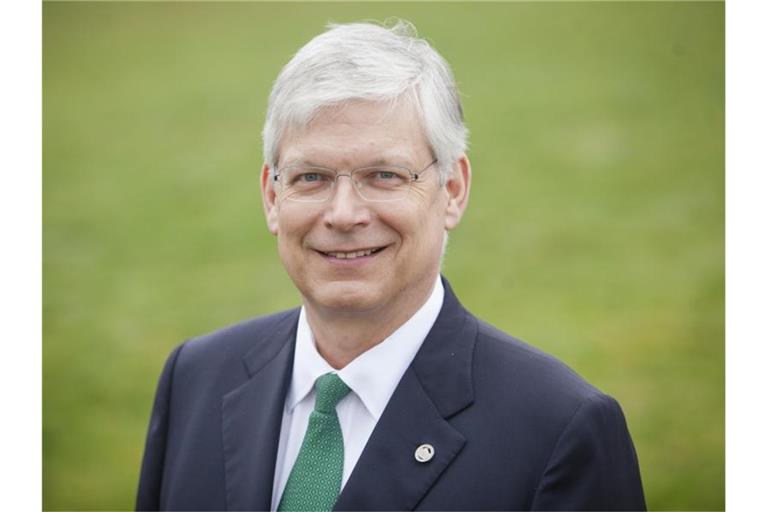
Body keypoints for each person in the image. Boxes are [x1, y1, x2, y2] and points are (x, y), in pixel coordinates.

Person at [136, 20, 646, 511]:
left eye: (384, 175)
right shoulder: (196, 379)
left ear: (452, 189)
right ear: (272, 195)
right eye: (311, 177)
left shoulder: (559, 430)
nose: (343, 214)